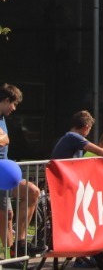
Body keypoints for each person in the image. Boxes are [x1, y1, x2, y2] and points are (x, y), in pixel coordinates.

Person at [0, 84, 41, 257]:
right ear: (7, 100)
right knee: (5, 215)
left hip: (5, 174)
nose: (14, 108)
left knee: (33, 192)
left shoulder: (3, 118)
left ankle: (19, 245)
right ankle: (9, 257)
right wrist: (4, 138)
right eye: (13, 104)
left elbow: (4, 139)